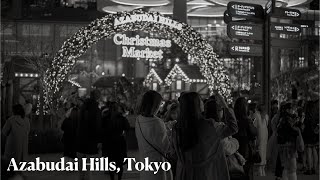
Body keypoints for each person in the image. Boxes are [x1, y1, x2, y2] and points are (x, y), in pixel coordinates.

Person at [172, 92, 238, 180]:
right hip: (206, 173)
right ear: (197, 105)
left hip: (185, 173)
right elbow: (233, 127)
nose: (203, 102)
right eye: (200, 100)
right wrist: (225, 106)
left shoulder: (177, 128)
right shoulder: (211, 126)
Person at [204, 96, 245, 180]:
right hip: (220, 164)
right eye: (221, 110)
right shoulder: (218, 127)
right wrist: (235, 142)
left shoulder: (202, 126)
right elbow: (233, 128)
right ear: (218, 112)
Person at [135, 90, 172, 180]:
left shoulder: (139, 120)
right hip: (158, 166)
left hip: (145, 164)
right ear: (155, 105)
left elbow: (150, 136)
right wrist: (171, 132)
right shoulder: (157, 122)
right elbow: (166, 147)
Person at [76, 90, 102, 180]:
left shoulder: (83, 107)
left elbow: (79, 123)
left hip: (81, 139)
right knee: (88, 165)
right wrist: (99, 140)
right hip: (91, 140)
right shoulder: (96, 109)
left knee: (81, 166)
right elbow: (97, 126)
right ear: (97, 97)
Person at [102, 102, 130, 180]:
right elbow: (127, 127)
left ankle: (112, 178)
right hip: (119, 142)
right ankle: (119, 178)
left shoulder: (105, 118)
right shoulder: (121, 118)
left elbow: (101, 129)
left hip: (109, 142)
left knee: (111, 162)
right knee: (120, 163)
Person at [277, 102, 304, 180]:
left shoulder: (284, 118)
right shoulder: (286, 119)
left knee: (286, 168)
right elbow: (292, 131)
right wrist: (299, 125)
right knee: (292, 168)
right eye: (292, 109)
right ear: (288, 110)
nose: (294, 110)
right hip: (289, 146)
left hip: (285, 146)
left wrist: (298, 123)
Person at [233, 97, 257, 180]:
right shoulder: (247, 120)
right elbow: (254, 133)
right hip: (245, 149)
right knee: (247, 172)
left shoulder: (233, 119)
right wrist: (251, 121)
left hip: (234, 149)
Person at [303, 100, 319, 175]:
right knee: (314, 149)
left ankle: (309, 169)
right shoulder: (317, 112)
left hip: (308, 130)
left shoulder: (307, 113)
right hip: (315, 131)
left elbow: (304, 122)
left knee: (308, 150)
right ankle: (315, 169)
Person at [255, 104, 269, 176]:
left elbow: (255, 126)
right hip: (263, 135)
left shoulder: (258, 116)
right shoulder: (265, 117)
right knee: (262, 151)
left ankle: (260, 169)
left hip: (260, 135)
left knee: (261, 150)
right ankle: (262, 169)